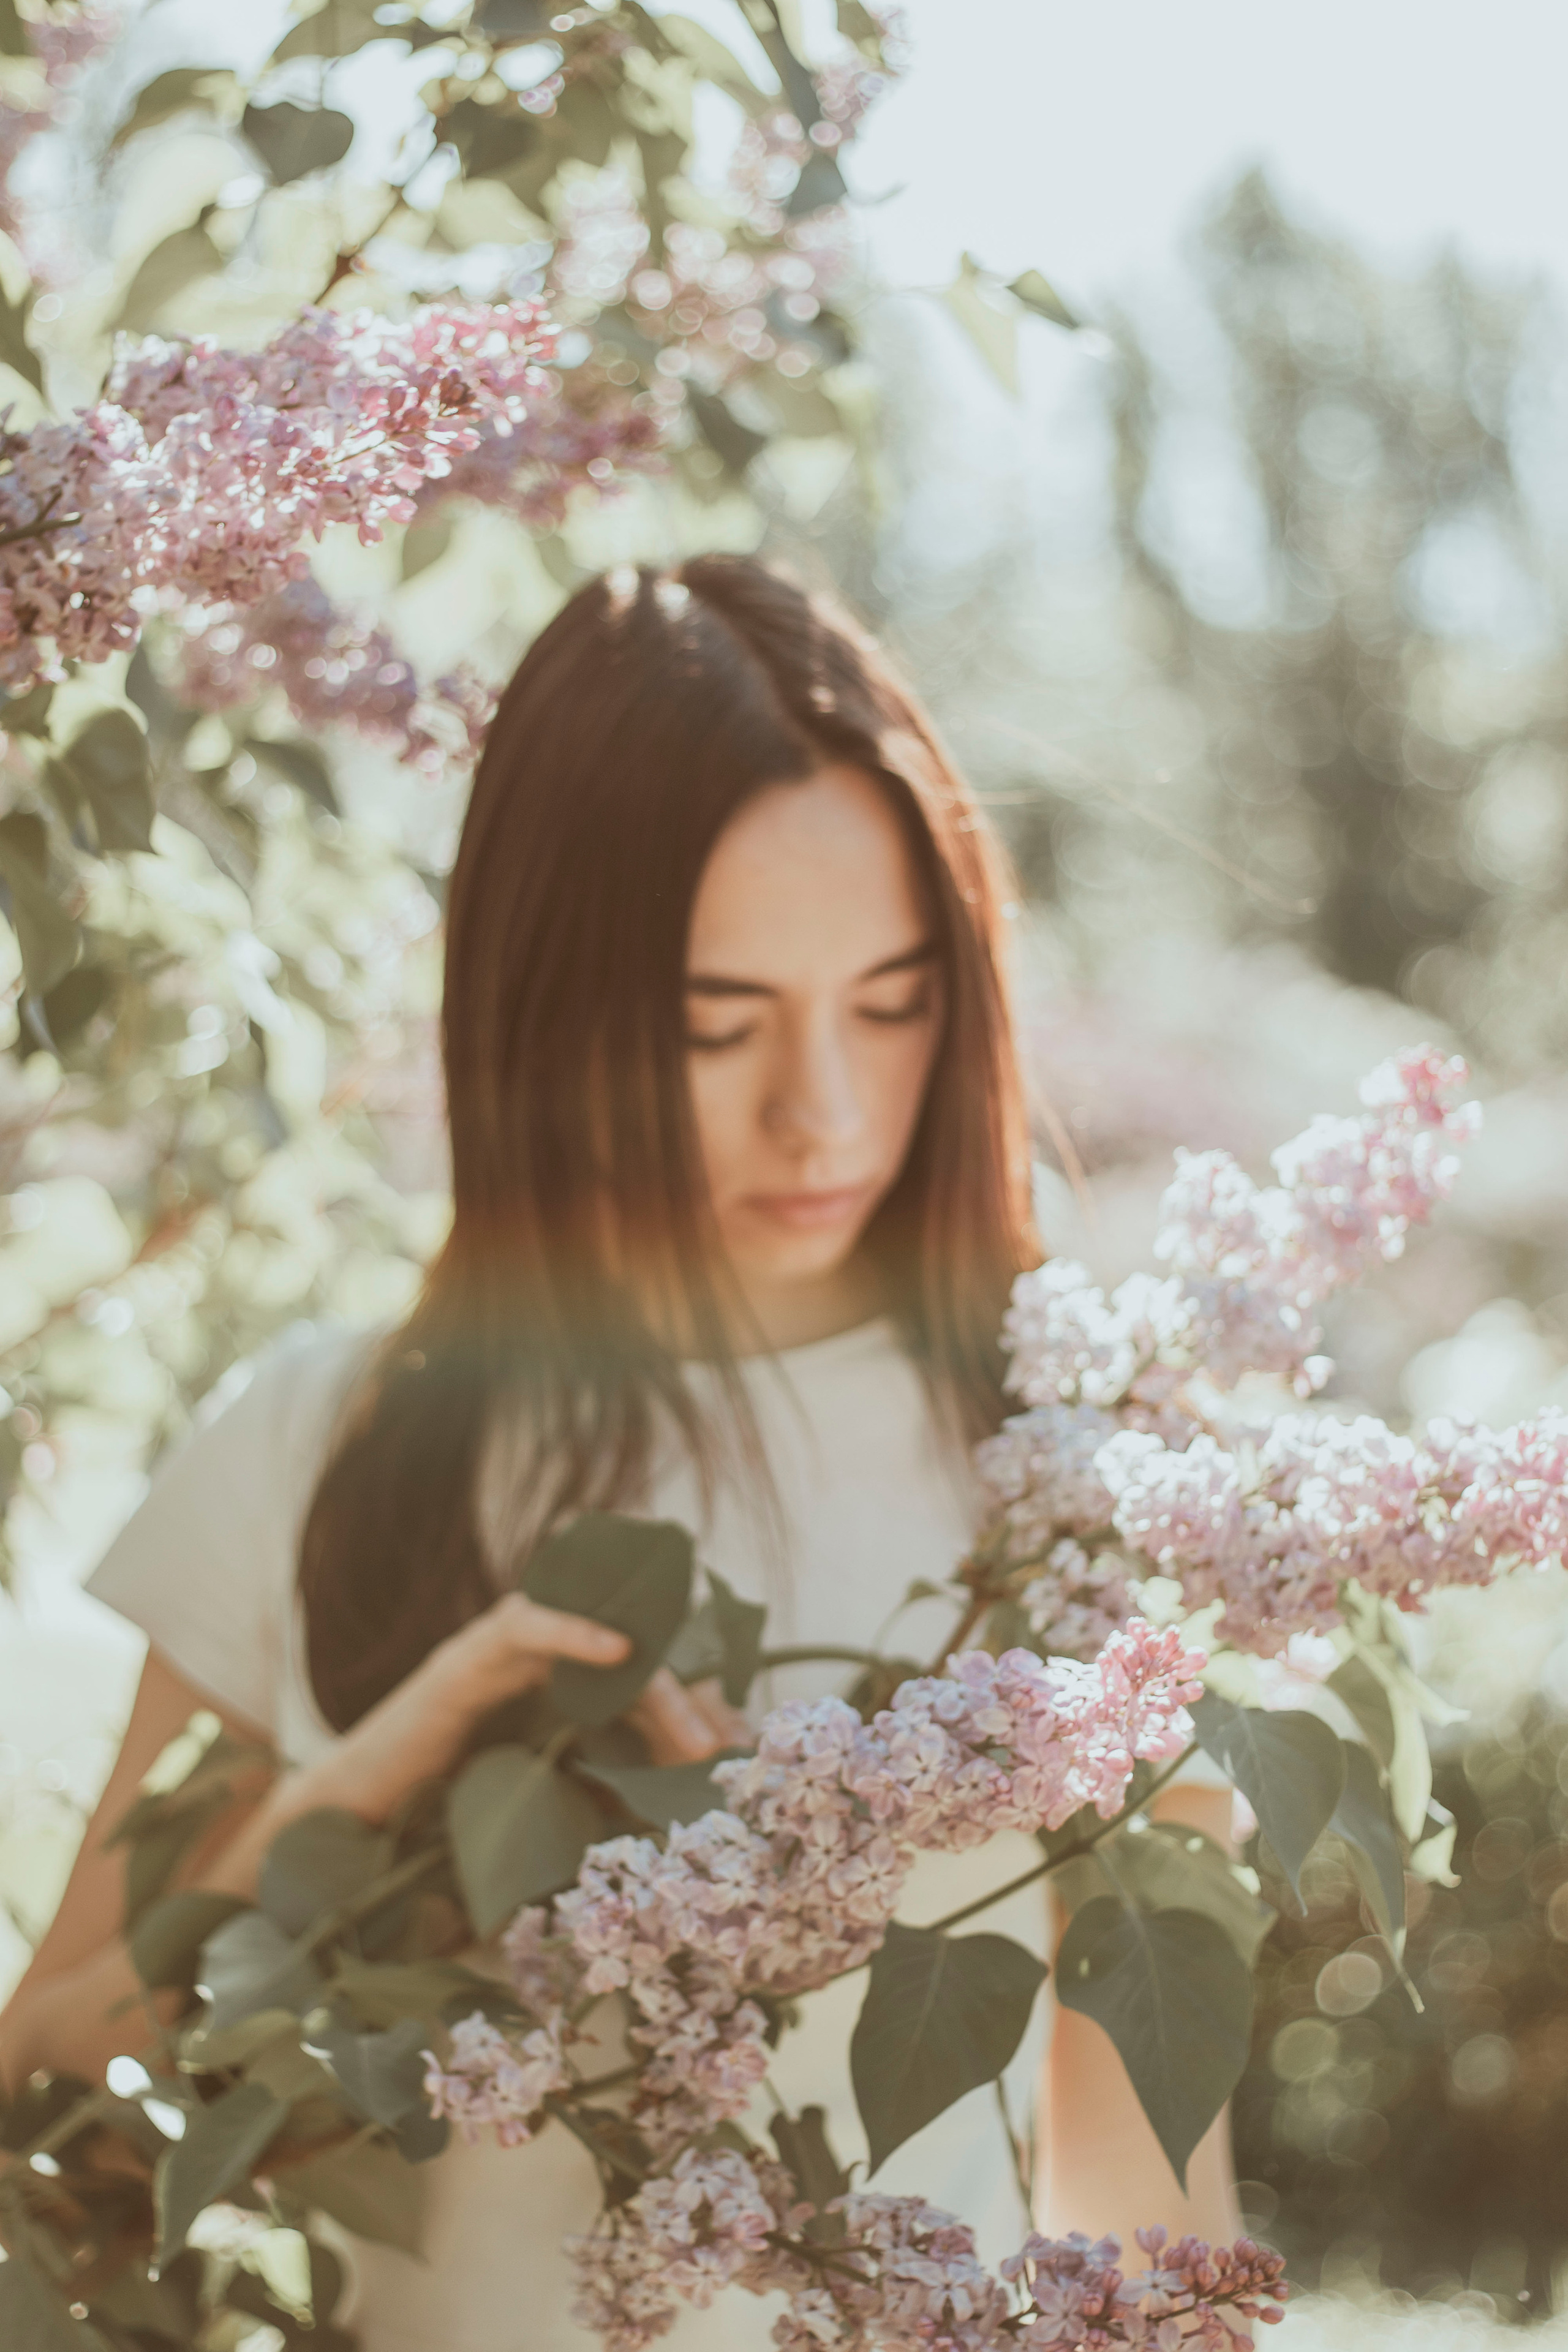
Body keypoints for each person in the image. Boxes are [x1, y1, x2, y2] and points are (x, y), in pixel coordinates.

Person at [0, 558, 1237, 2350]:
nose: (824, 1109)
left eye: (890, 1003)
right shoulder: (326, 1446)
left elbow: (1148, 2216)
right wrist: (351, 1807)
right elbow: (49, 2128)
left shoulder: (1078, 1466)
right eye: (714, 1023)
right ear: (549, 1010)